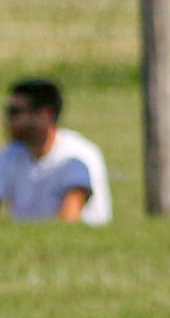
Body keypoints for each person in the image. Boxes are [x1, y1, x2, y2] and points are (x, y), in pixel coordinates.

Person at [1, 78, 111, 225]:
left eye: (15, 112)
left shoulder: (76, 157)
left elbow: (69, 220)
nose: (8, 120)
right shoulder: (12, 155)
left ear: (45, 114)